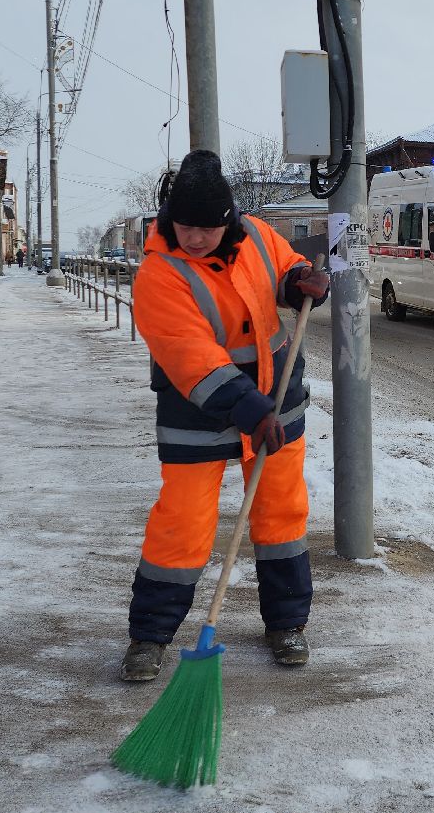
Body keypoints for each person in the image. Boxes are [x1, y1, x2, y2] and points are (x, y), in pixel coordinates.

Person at [121, 150, 330, 683]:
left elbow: (283, 270)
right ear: (170, 219)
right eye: (184, 226)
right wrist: (246, 409)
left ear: (229, 219)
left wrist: (302, 279)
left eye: (207, 229)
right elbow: (191, 355)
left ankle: (287, 624)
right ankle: (150, 637)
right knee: (183, 523)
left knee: (281, 516)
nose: (195, 238)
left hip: (276, 402)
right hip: (200, 414)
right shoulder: (159, 274)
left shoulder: (257, 234)